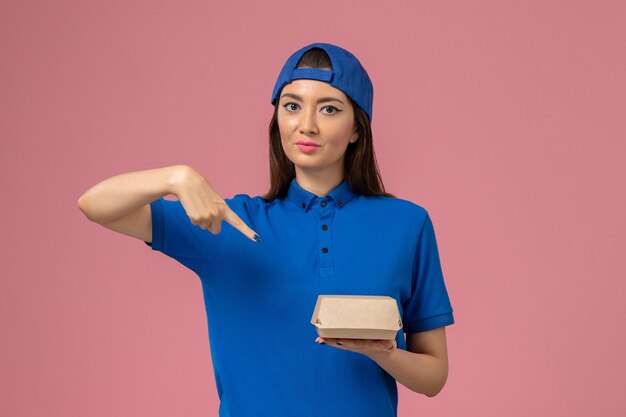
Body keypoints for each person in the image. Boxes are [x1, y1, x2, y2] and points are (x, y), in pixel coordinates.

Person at [78, 42, 455, 417]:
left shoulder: (407, 224)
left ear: (357, 127)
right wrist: (175, 177)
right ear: (278, 120)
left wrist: (382, 352)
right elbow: (95, 205)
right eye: (292, 106)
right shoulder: (230, 222)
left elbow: (434, 376)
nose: (307, 125)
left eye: (329, 109)